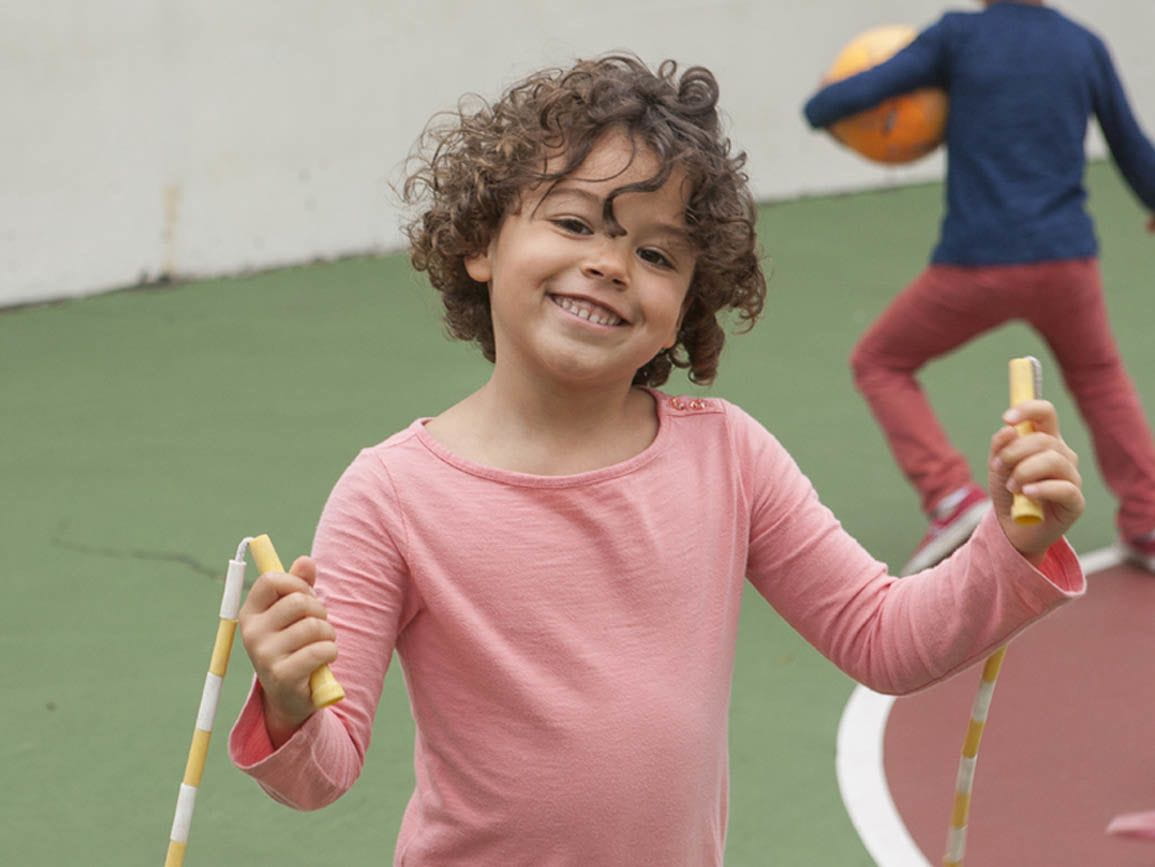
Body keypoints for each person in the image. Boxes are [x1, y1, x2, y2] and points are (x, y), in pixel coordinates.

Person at [229, 54, 1086, 866]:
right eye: (572, 222)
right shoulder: (391, 494)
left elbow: (883, 636)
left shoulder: (727, 454)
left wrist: (1008, 546)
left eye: (654, 253)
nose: (607, 264)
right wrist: (290, 696)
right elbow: (321, 773)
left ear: (683, 307)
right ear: (480, 243)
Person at [802, 0, 1155, 575]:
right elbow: (1133, 148)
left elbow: (831, 105)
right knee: (1098, 378)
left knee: (880, 362)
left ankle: (951, 496)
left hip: (976, 265)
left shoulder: (957, 38)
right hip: (1066, 263)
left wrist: (824, 101)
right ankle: (1147, 520)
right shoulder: (1082, 45)